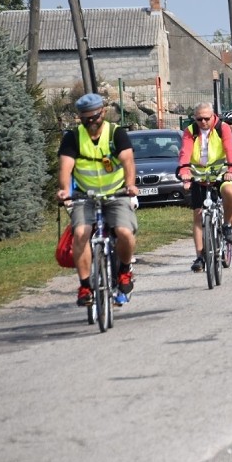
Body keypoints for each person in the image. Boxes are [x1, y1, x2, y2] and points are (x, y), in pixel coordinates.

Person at [56, 93, 139, 307]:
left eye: (95, 117)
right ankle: (85, 286)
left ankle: (124, 271)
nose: (91, 122)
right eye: (86, 118)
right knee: (81, 233)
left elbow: (128, 161)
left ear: (102, 113)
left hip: (116, 193)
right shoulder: (73, 137)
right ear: (80, 118)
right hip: (85, 196)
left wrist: (130, 185)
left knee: (124, 233)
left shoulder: (115, 133)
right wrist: (65, 190)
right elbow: (66, 166)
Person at [178, 103, 232, 273]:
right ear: (195, 118)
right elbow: (185, 152)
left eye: (207, 118)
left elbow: (229, 149)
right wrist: (184, 171)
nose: (203, 122)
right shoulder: (190, 131)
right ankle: (199, 257)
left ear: (213, 116)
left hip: (220, 172)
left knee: (229, 192)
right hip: (199, 175)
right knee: (198, 215)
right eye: (199, 119)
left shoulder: (223, 127)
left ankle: (227, 224)